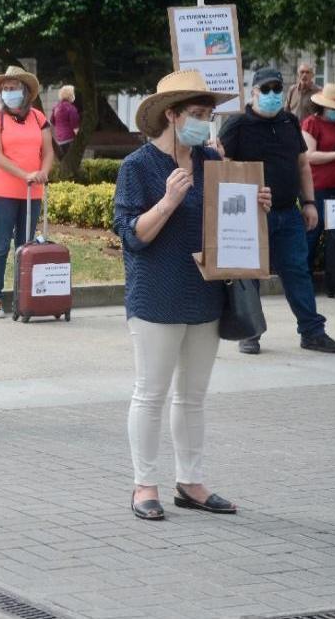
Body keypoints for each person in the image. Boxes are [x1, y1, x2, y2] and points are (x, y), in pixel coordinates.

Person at [115, 70, 272, 521]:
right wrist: (165, 202)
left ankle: (191, 481)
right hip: (156, 294)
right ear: (172, 115)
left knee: (193, 395)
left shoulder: (211, 161)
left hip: (204, 291)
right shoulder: (138, 167)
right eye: (199, 115)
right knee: (151, 392)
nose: (207, 123)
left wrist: (252, 204)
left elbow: (229, 223)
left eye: (209, 115)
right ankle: (145, 484)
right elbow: (132, 236)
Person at [218, 68, 335, 355]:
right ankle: (249, 331)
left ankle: (312, 332)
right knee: (248, 274)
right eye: (266, 90)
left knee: (298, 272)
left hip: (288, 213)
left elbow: (302, 165)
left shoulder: (289, 121)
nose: (273, 95)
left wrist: (309, 203)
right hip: (249, 215)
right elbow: (221, 167)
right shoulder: (237, 123)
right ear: (253, 92)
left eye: (277, 89)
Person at [0, 65, 55, 319]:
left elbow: (48, 152)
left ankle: (22, 297)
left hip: (31, 192)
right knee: (1, 245)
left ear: (25, 92)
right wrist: (25, 174)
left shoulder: (38, 118)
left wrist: (43, 172)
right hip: (3, 191)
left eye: (13, 88)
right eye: (5, 88)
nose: (8, 92)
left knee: (25, 246)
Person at [301, 83, 335, 271]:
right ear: (323, 106)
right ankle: (305, 273)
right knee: (313, 230)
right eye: (333, 109)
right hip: (320, 187)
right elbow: (310, 156)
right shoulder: (311, 123)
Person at [51, 85, 80, 158]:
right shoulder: (71, 108)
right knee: (71, 160)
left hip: (59, 139)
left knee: (63, 161)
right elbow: (75, 126)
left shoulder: (56, 108)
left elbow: (52, 121)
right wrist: (79, 139)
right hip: (69, 139)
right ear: (71, 95)